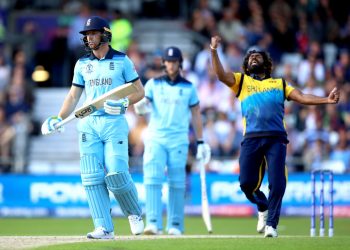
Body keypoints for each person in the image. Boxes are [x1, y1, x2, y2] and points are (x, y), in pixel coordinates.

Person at [210, 35, 340, 238]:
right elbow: (220, 75)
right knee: (246, 183)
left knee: (278, 183)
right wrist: (214, 51)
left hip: (276, 138)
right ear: (246, 63)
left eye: (257, 55)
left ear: (266, 62)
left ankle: (272, 224)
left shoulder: (279, 83)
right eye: (250, 56)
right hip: (251, 138)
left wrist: (326, 99)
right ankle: (262, 206)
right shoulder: (241, 81)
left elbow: (302, 97)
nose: (253, 58)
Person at [41, 16, 145, 239]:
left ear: (105, 34)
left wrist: (125, 103)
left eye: (93, 33)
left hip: (114, 123)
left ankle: (134, 213)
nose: (88, 38)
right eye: (86, 35)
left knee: (116, 173)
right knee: (91, 176)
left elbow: (140, 91)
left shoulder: (122, 61)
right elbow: (73, 95)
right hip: (88, 124)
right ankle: (104, 228)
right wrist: (58, 118)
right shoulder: (82, 64)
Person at [134, 46, 211, 235]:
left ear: (180, 63)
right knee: (152, 178)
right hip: (156, 138)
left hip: (178, 139)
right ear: (163, 63)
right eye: (168, 61)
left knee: (177, 182)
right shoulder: (153, 84)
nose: (171, 64)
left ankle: (175, 224)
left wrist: (201, 141)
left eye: (174, 61)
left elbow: (196, 114)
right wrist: (141, 106)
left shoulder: (189, 87)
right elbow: (144, 105)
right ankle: (152, 222)